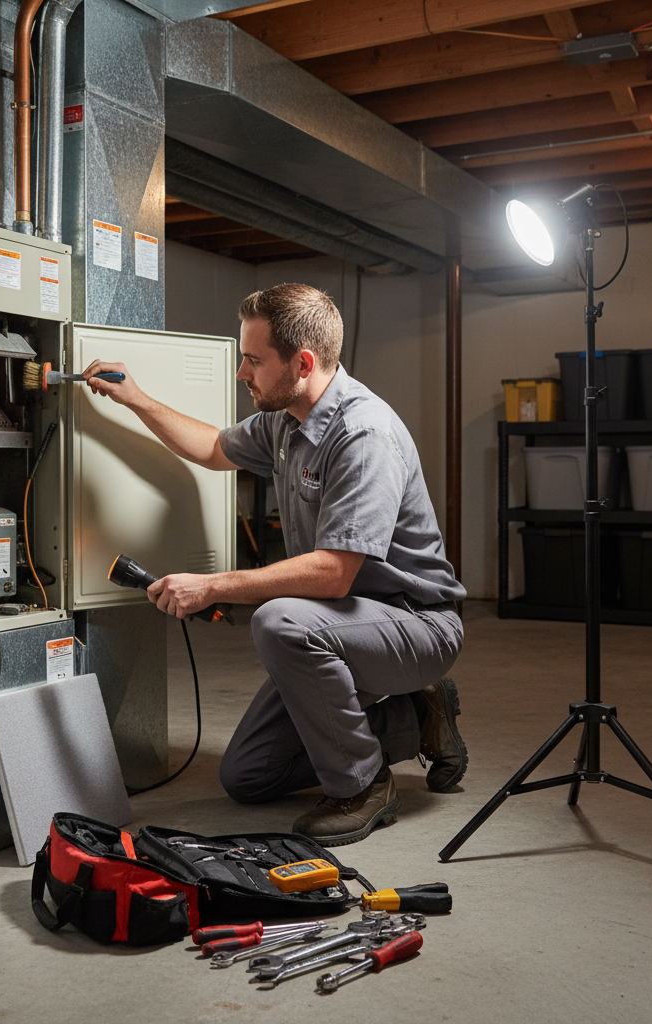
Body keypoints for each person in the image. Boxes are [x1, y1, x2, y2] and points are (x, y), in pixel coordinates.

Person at [81, 283, 467, 846]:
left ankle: (363, 786)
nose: (242, 372)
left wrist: (214, 586)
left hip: (415, 623)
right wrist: (136, 399)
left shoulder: (363, 434)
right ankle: (417, 716)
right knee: (250, 775)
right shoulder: (287, 420)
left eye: (254, 360)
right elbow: (213, 448)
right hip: (346, 620)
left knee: (281, 620)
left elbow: (333, 573)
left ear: (302, 363)